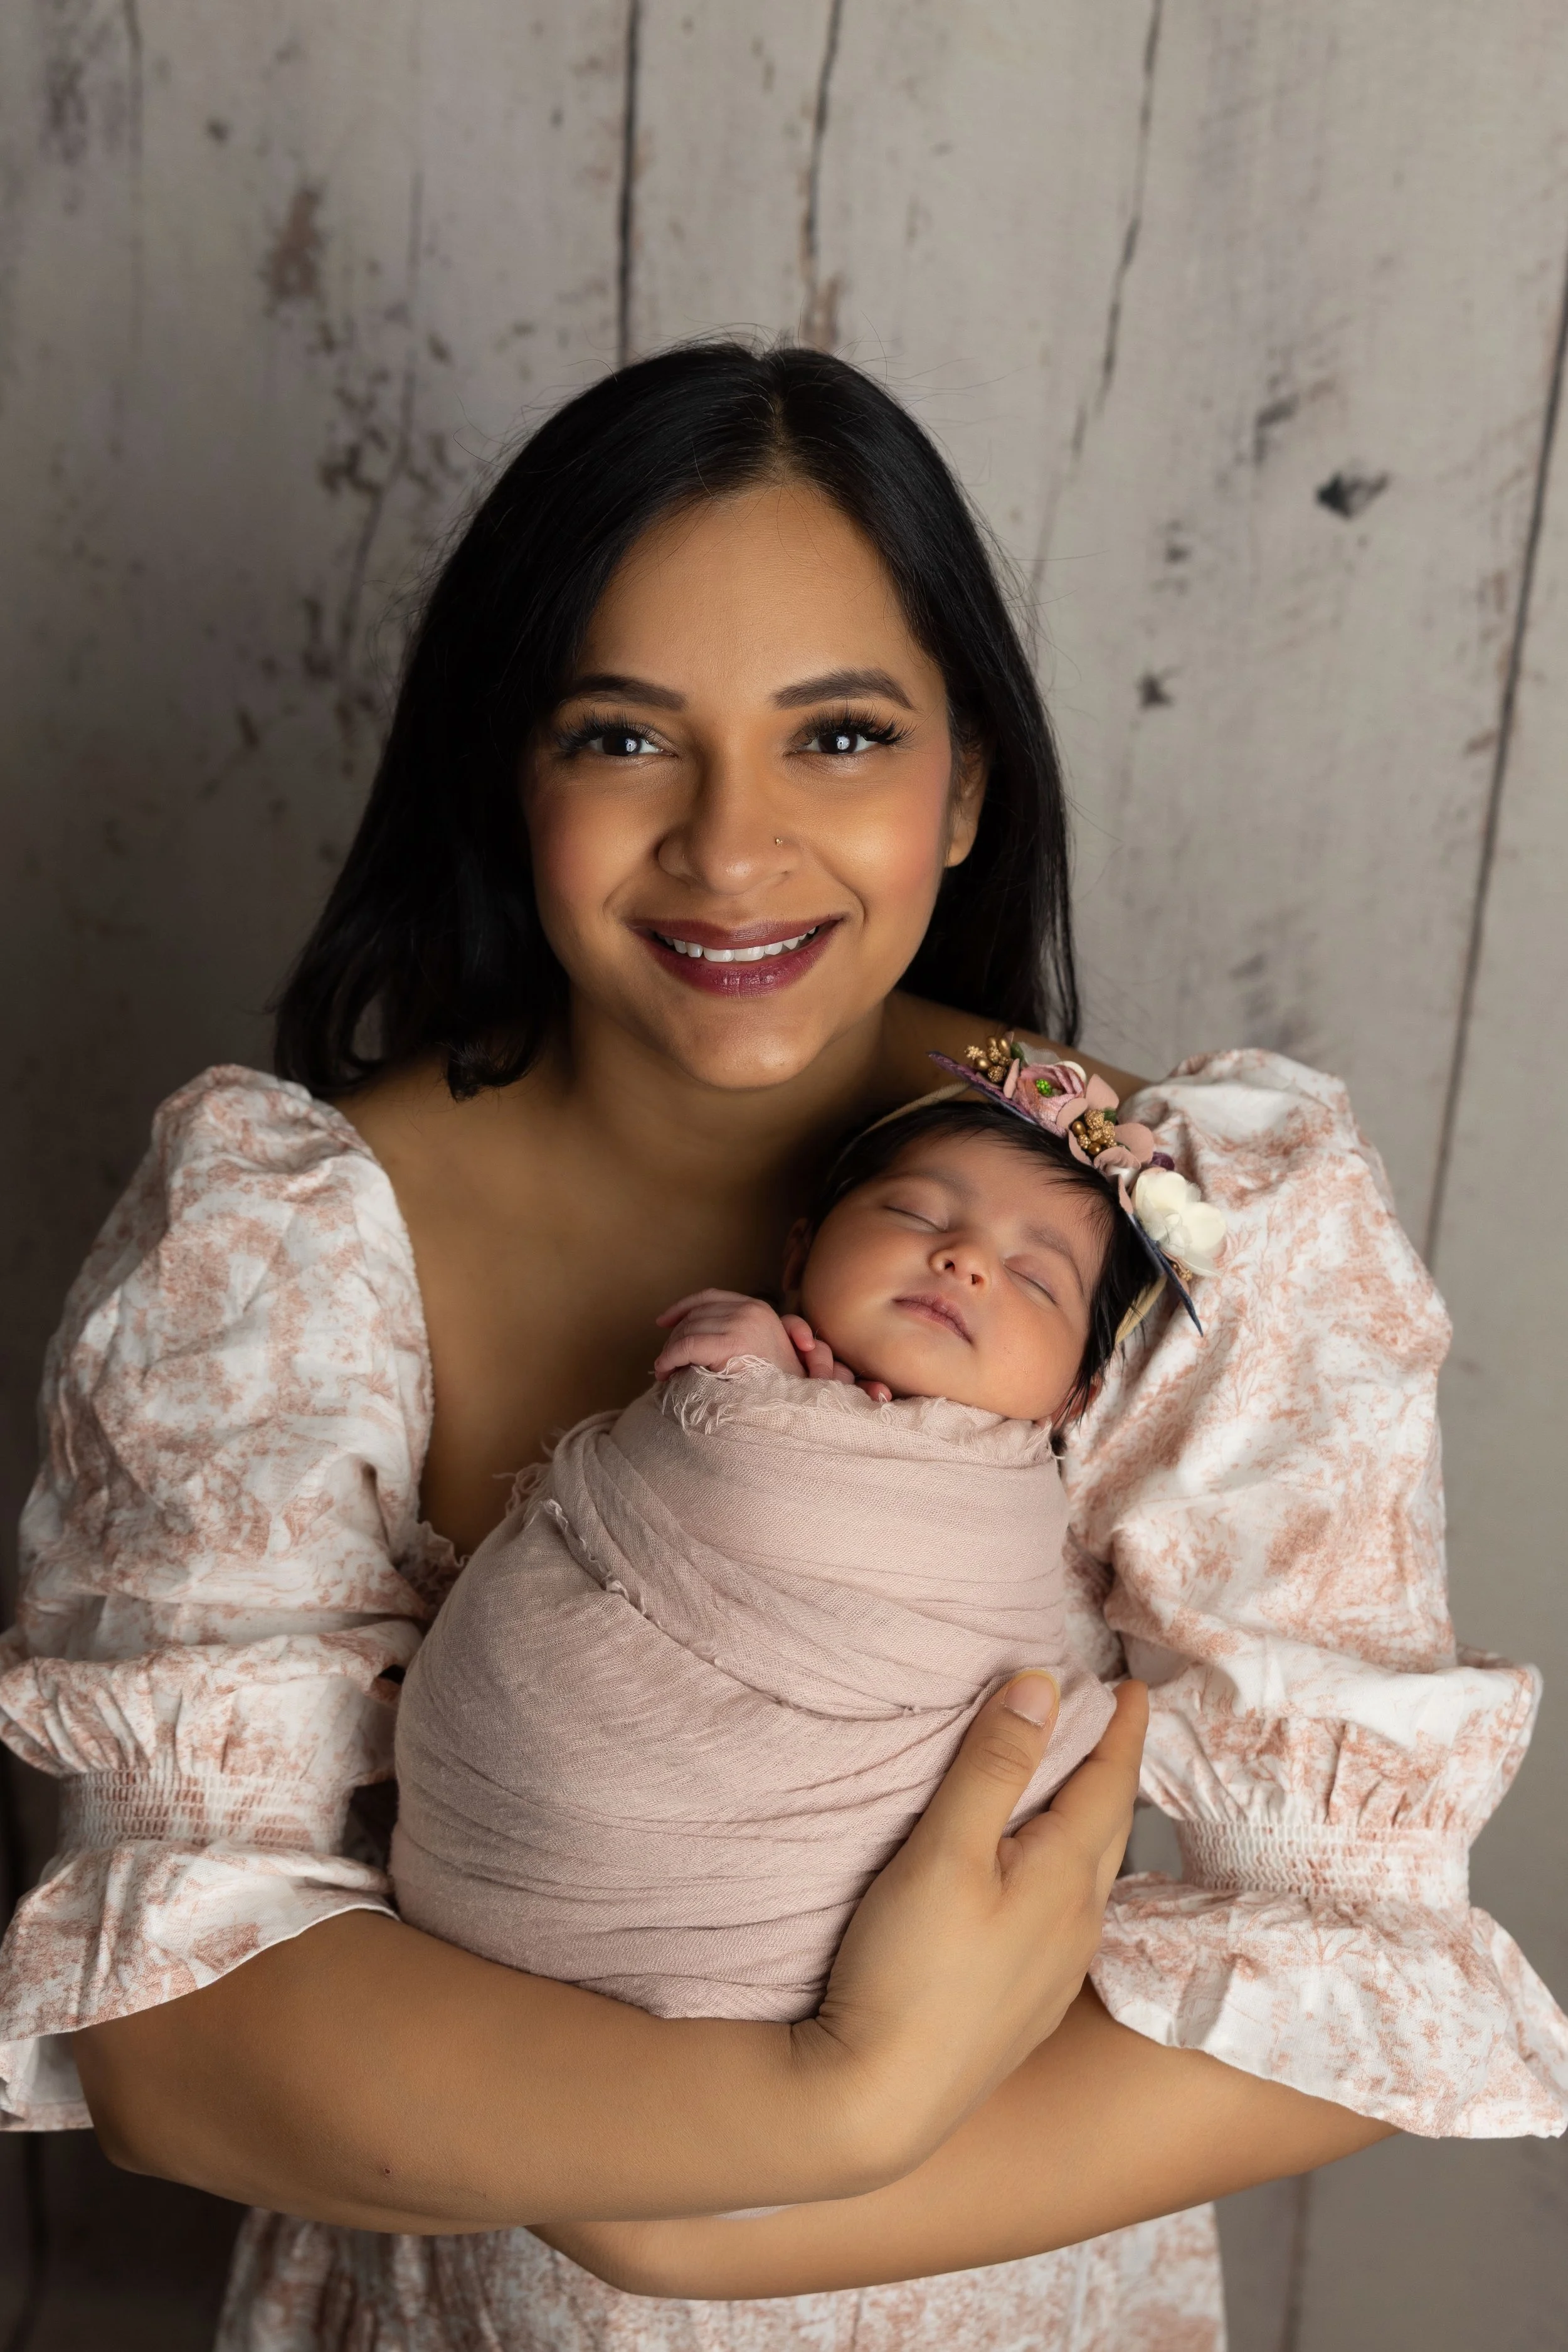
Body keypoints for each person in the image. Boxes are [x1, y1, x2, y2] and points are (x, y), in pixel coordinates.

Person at [0, 343, 1560, 2351]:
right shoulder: (280, 1245)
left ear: (966, 780)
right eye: (625, 737)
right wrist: (825, 2106)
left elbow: (1351, 1979)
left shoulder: (1189, 1233)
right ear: (509, 774)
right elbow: (176, 2037)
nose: (732, 853)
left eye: (836, 737)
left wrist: (711, 2233)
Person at [391, 1070, 1197, 2044]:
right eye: (914, 1212)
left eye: (1035, 1278)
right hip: (525, 1856)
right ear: (800, 1249)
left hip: (818, 1941)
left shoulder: (1009, 1507)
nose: (965, 1261)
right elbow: (727, 1496)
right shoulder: (734, 1374)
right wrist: (752, 1402)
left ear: (1076, 1395)